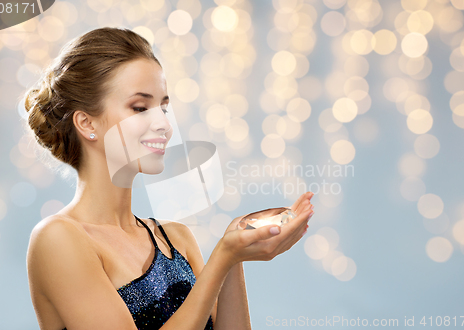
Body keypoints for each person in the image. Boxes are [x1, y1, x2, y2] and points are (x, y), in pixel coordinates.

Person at [24, 27, 315, 330]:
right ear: (87, 123)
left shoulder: (175, 239)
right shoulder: (58, 239)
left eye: (163, 107)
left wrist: (234, 258)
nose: (164, 124)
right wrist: (223, 257)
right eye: (140, 107)